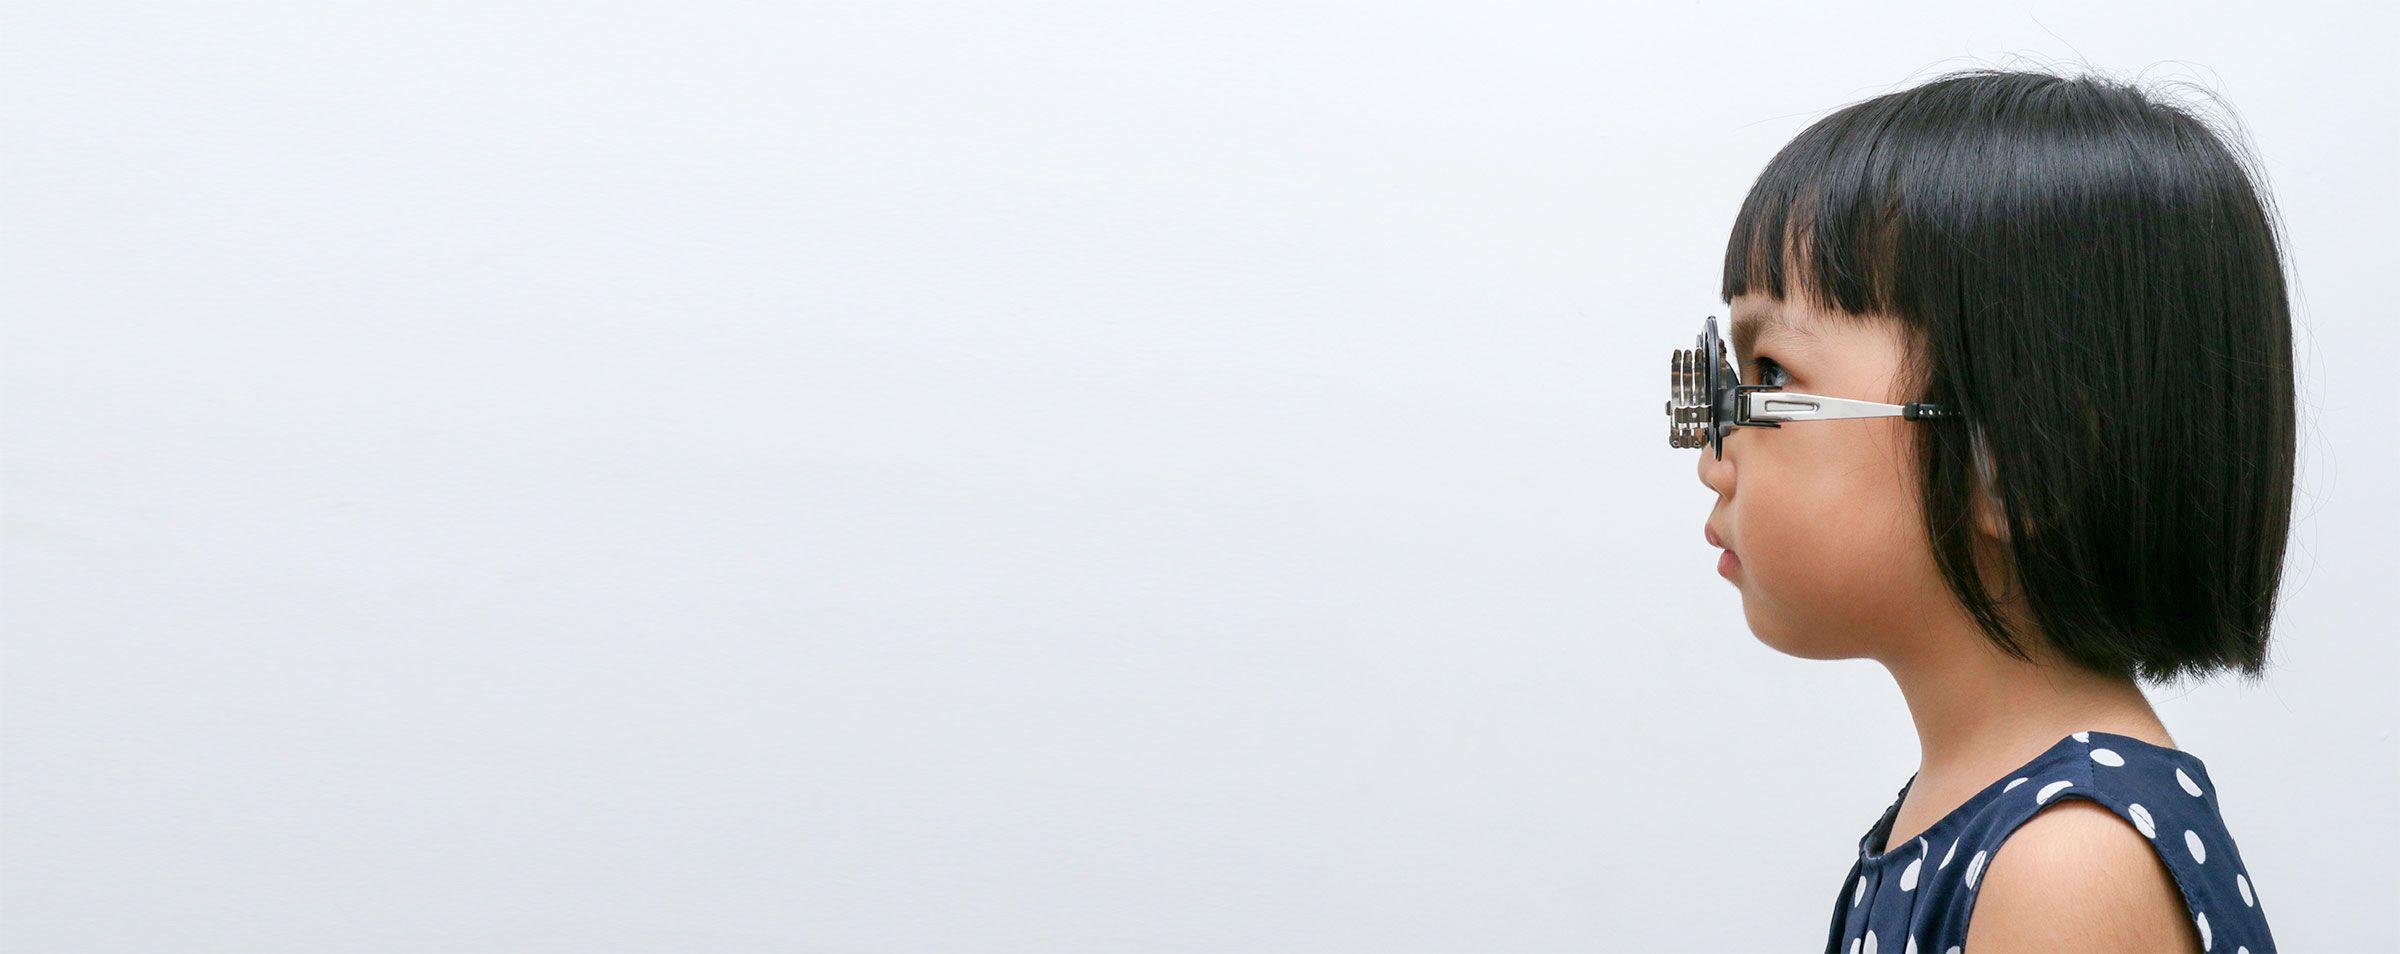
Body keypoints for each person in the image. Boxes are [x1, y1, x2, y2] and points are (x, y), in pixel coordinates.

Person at [1693, 68, 2290, 953]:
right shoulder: (1981, 815)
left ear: (2015, 465)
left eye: (1771, 375)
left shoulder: (2063, 863)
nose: (1714, 459)